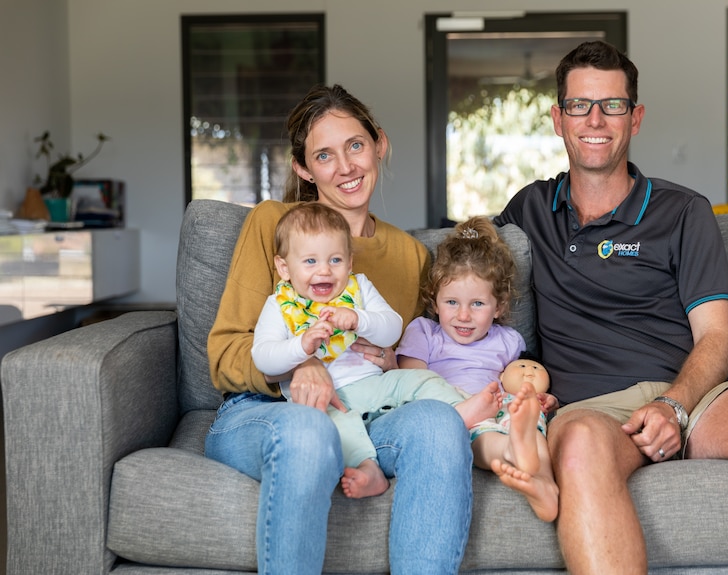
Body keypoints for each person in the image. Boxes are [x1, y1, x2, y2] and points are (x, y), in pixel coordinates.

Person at [494, 41, 728, 574]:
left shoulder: (683, 211)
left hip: (694, 400)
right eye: (581, 105)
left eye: (613, 105)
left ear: (636, 117)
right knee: (580, 442)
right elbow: (457, 270)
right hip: (595, 414)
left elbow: (717, 337)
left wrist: (674, 406)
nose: (597, 119)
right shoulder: (530, 210)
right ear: (558, 120)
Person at [206, 84, 473, 575]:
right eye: (324, 155)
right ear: (305, 170)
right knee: (309, 431)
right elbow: (224, 354)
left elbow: (413, 348)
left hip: (367, 403)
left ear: (379, 145)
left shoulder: (411, 255)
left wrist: (395, 360)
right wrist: (304, 363)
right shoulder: (272, 224)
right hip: (267, 410)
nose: (346, 166)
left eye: (355, 145)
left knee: (439, 423)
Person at [252, 202, 498, 499]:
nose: (324, 271)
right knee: (334, 428)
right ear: (283, 267)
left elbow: (392, 327)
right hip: (326, 399)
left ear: (350, 263)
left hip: (376, 384)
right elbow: (264, 358)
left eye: (335, 260)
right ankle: (368, 469)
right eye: (310, 261)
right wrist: (300, 347)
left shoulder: (358, 289)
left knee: (416, 380)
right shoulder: (280, 306)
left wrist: (359, 319)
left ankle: (460, 410)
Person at [396, 217, 560, 522]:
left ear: (498, 307)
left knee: (526, 414)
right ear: (434, 301)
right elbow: (412, 384)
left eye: (477, 304)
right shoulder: (424, 332)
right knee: (481, 435)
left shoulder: (509, 340)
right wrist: (469, 406)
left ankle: (545, 484)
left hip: (498, 403)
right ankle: (512, 453)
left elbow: (518, 381)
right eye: (452, 302)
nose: (463, 315)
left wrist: (541, 399)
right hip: (456, 410)